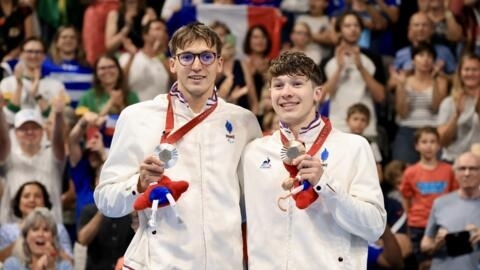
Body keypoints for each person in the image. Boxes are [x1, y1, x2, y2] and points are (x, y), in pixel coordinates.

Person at [94, 22, 262, 269]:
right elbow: (106, 199)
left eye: (206, 56)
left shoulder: (243, 122)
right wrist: (138, 185)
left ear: (219, 64)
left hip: (224, 262)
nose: (197, 65)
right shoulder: (137, 117)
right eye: (186, 57)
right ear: (172, 64)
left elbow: (249, 203)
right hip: (159, 262)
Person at [241, 51, 386, 268]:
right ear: (269, 93)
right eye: (278, 85)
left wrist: (325, 185)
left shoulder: (353, 147)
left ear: (318, 93)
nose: (286, 93)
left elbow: (374, 227)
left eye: (297, 84)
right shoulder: (254, 152)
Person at [399, 126, 458, 269]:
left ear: (439, 146)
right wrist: (411, 218)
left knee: (447, 263)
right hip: (419, 225)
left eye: (432, 141)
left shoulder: (448, 170)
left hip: (444, 224)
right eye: (424, 142)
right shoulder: (410, 172)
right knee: (424, 265)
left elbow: (455, 196)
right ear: (416, 146)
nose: (428, 146)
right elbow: (406, 197)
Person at [420, 151, 480, 270]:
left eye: (473, 169)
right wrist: (436, 244)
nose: (467, 173)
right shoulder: (440, 203)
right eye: (462, 169)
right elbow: (424, 245)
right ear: (455, 173)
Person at [0, 181, 73, 262]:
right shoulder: (7, 230)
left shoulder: (59, 229)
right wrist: (24, 239)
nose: (32, 200)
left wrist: (53, 247)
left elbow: (71, 263)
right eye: (26, 196)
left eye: (37, 196)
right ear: (19, 202)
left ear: (45, 202)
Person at [437, 52, 480, 163]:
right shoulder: (448, 103)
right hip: (454, 161)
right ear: (460, 73)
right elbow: (442, 141)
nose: (470, 73)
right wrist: (456, 116)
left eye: (475, 70)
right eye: (466, 69)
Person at [3, 207, 73, 270]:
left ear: (53, 238)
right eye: (35, 229)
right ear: (26, 237)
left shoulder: (64, 266)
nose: (40, 234)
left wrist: (50, 268)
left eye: (46, 230)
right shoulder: (12, 265)